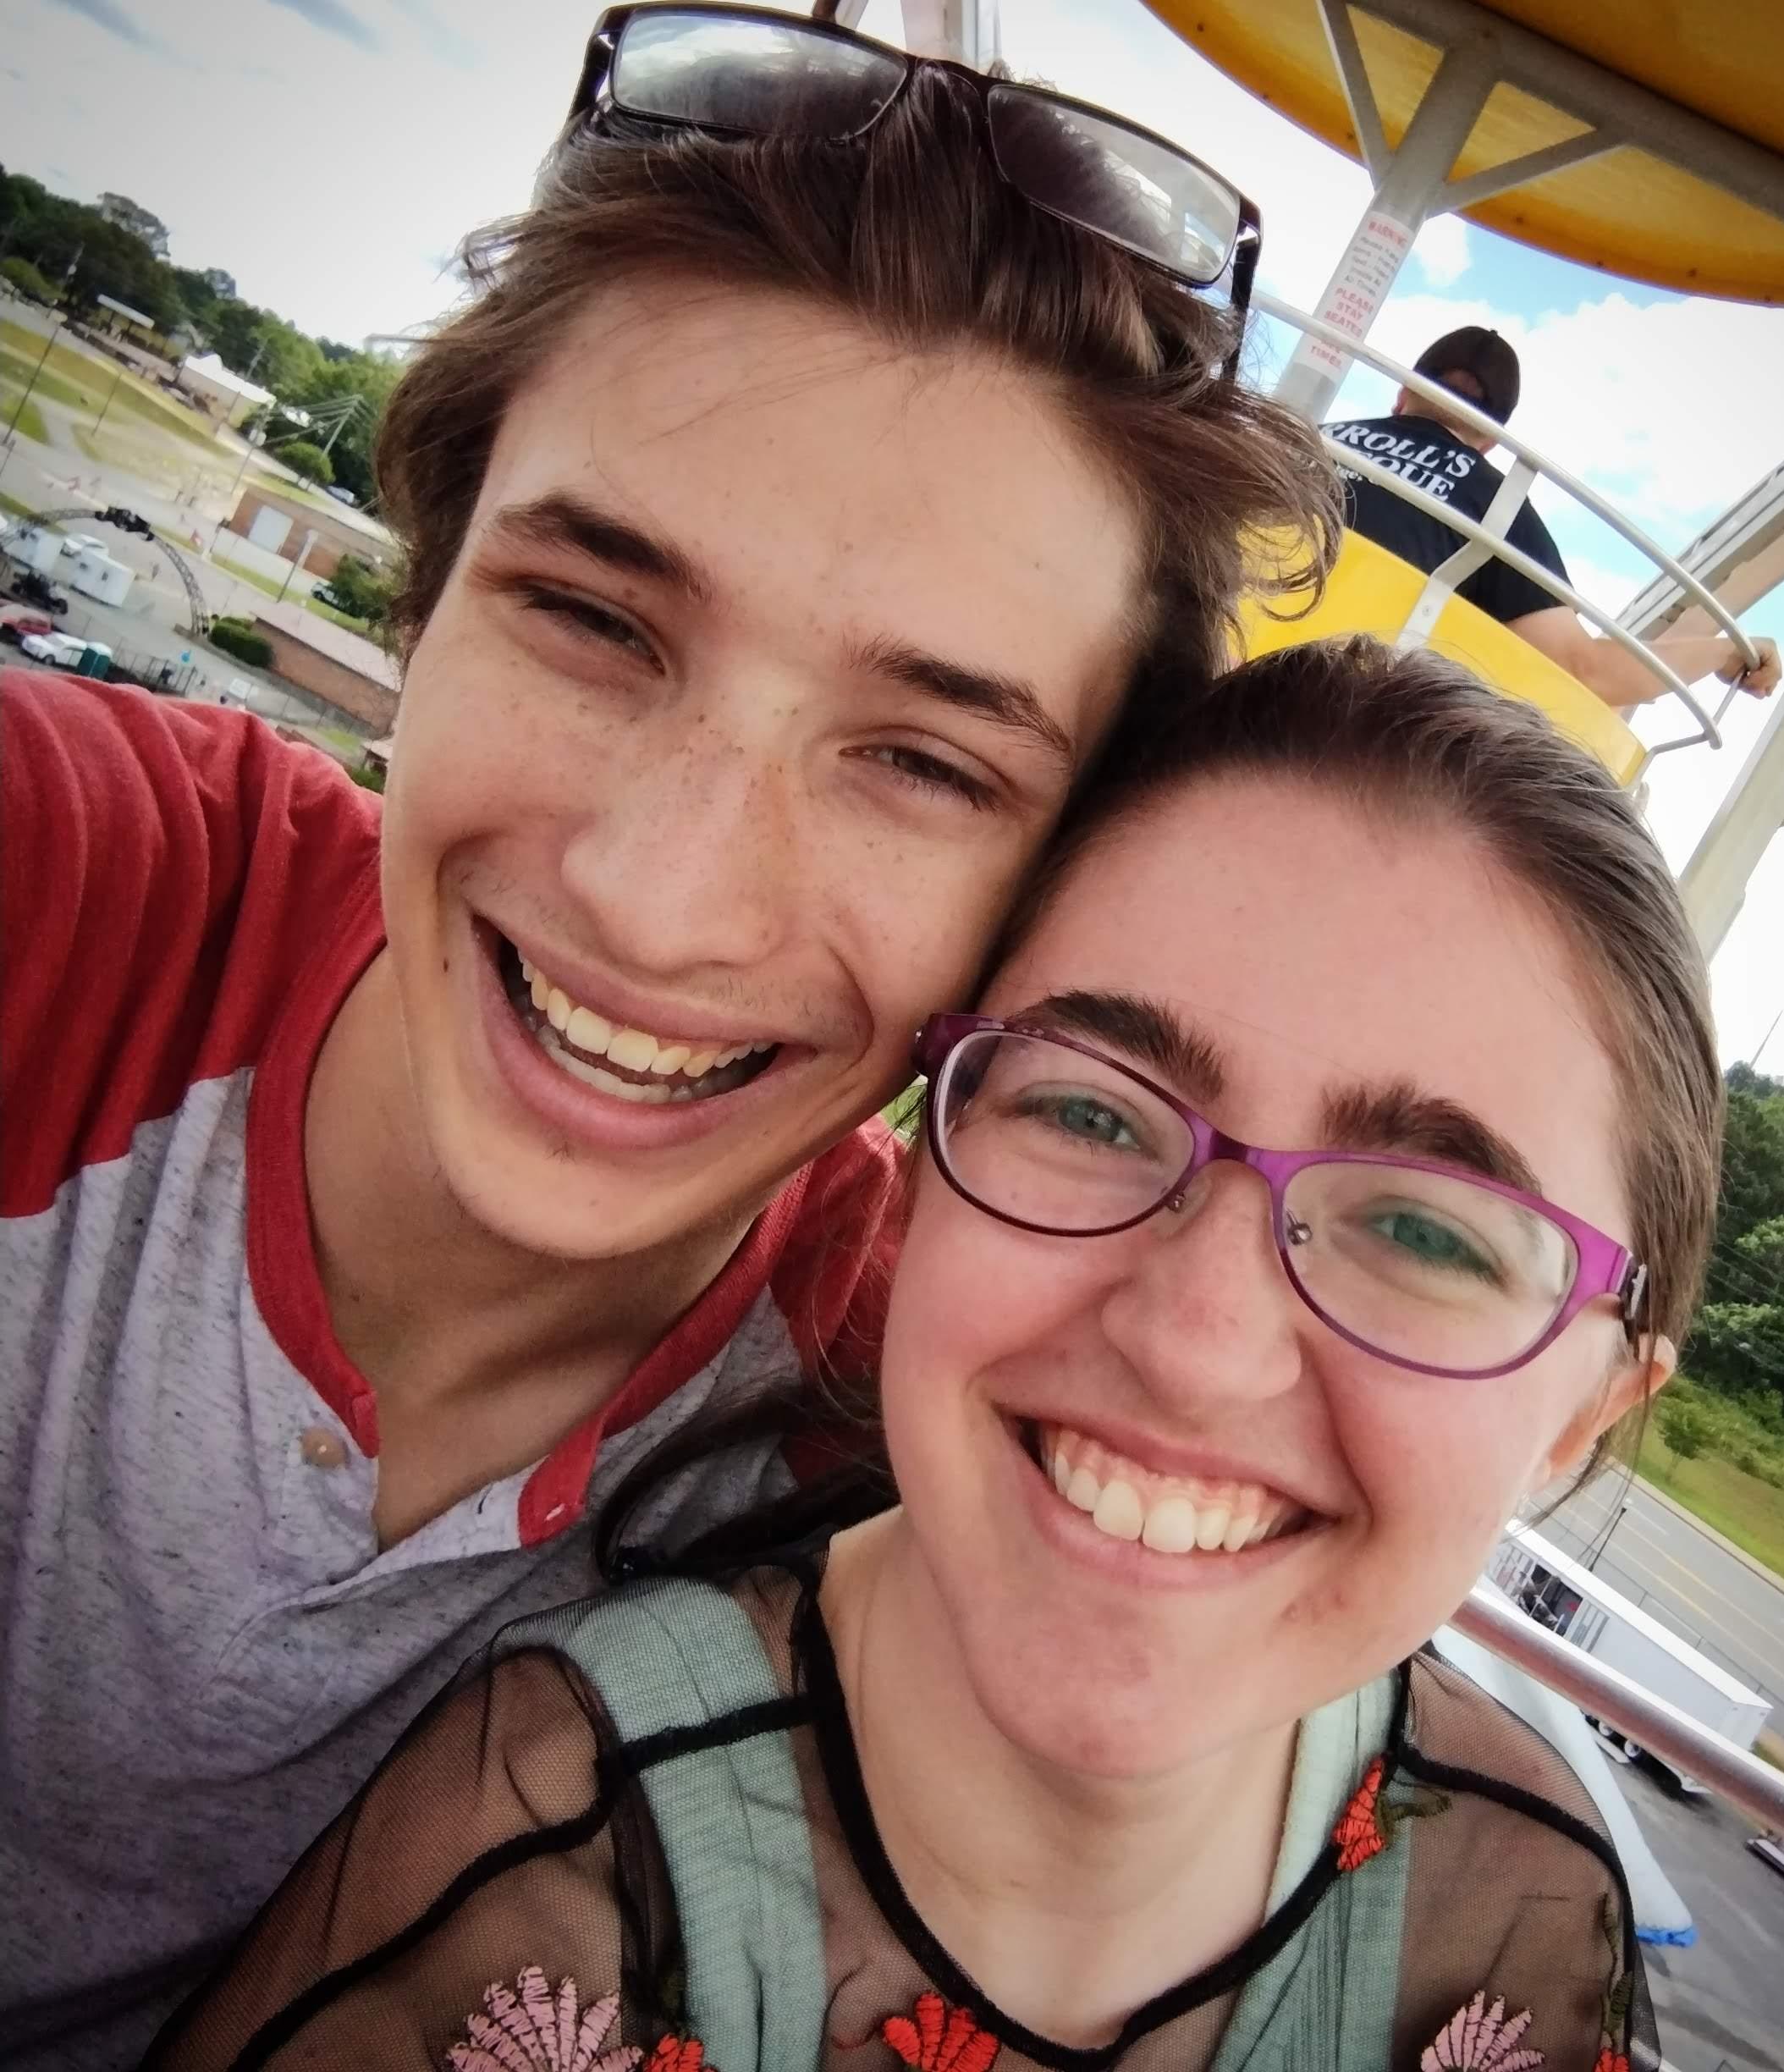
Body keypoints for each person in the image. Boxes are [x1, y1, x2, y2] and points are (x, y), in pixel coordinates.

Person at [0, 11, 1341, 2063]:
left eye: (915, 759)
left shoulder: (937, 1402)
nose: (656, 893)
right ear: (427, 597)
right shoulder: (68, 890)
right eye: (591, 620)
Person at [146, 636, 1720, 2072]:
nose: (1194, 1340)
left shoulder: (1519, 1902)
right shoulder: (541, 1888)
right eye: (1091, 1110)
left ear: (1591, 1405)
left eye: (1433, 1233)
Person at [1325, 325, 1783, 708]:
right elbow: (1583, 671)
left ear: (1402, 395)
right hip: (1326, 694)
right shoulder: (1498, 504)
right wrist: (1726, 653)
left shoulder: (1301, 439)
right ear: (1490, 439)